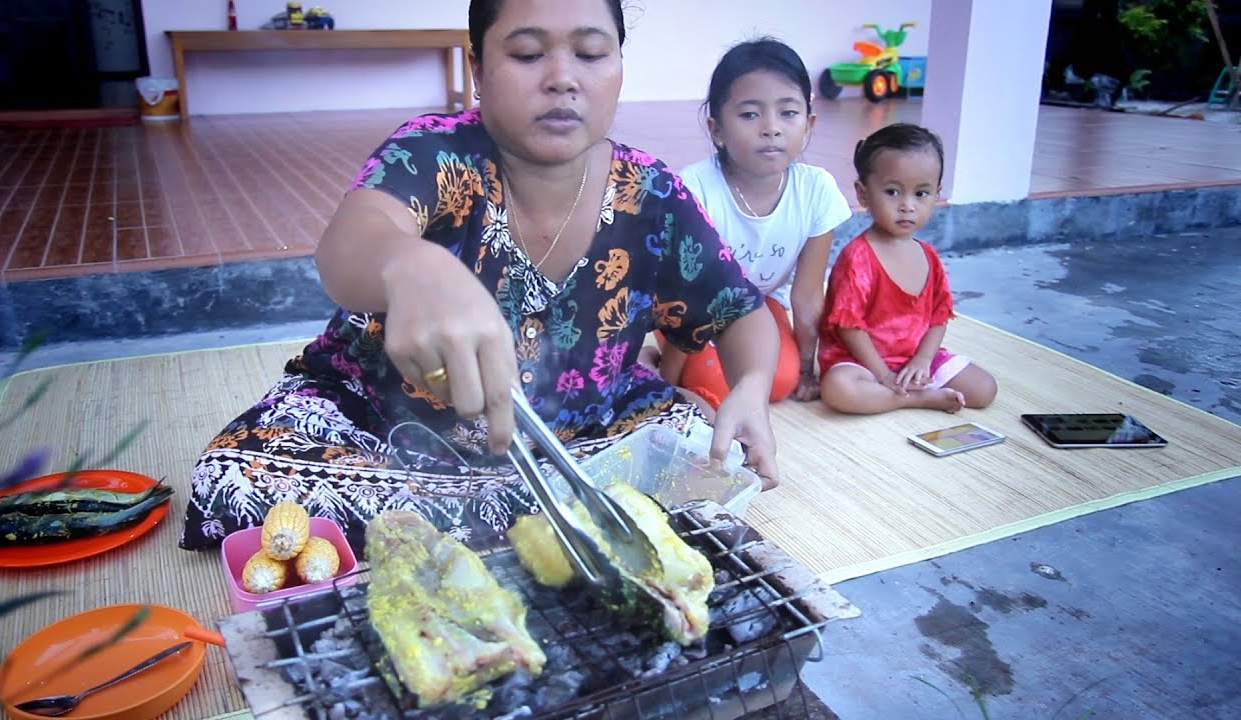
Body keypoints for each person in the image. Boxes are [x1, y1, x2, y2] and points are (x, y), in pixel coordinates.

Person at [179, 0, 781, 555]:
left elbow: (740, 312)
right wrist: (408, 264)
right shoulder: (433, 153)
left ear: (619, 65)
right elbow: (349, 242)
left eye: (591, 53)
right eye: (527, 54)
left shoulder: (649, 193)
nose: (562, 78)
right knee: (234, 477)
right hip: (386, 432)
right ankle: (542, 515)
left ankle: (511, 513)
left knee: (705, 451)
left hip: (579, 435)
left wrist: (751, 387)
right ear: (478, 69)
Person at [651, 38, 851, 408]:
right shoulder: (695, 188)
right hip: (689, 315)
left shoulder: (817, 190)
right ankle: (651, 360)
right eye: (749, 115)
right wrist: (666, 381)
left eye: (788, 113)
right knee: (717, 388)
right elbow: (686, 295)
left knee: (780, 382)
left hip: (758, 306)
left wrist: (807, 368)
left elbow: (807, 294)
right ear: (717, 130)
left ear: (809, 125)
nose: (771, 128)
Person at [817, 123, 998, 415]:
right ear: (863, 194)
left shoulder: (929, 256)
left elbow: (938, 317)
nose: (907, 206)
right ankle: (915, 399)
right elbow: (848, 327)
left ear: (937, 194)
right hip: (862, 362)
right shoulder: (858, 257)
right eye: (892, 192)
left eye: (921, 194)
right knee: (840, 390)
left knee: (984, 389)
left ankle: (907, 389)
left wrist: (923, 360)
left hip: (913, 358)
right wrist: (884, 375)